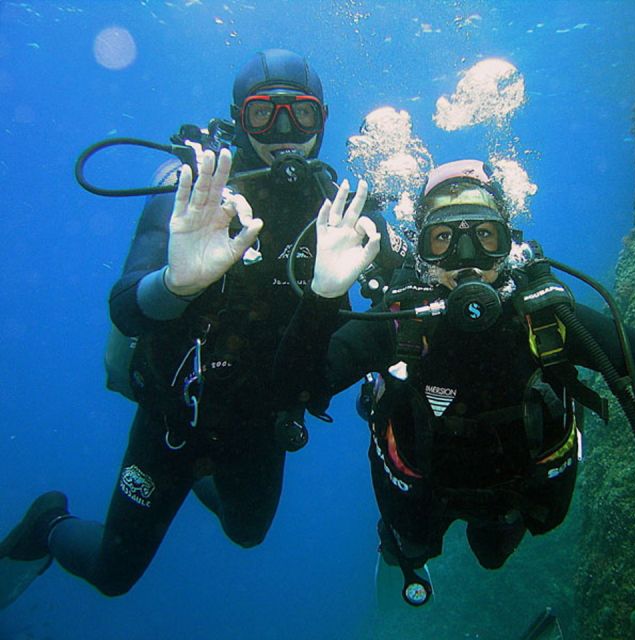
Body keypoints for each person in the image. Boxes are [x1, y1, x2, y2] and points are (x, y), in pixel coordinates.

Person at [272, 160, 635, 606]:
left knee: (496, 554)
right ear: (420, 252)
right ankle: (401, 552)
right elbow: (296, 390)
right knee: (412, 545)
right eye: (444, 240)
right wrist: (323, 299)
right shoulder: (395, 323)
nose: (467, 259)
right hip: (418, 492)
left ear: (511, 241)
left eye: (485, 237)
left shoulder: (547, 317)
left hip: (523, 491)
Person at [0, 48, 403, 607]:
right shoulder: (198, 194)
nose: (284, 131)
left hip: (262, 421)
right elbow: (125, 306)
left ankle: (191, 479)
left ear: (323, 121)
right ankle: (47, 525)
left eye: (302, 114)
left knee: (248, 533)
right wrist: (177, 282)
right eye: (264, 114)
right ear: (239, 118)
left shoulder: (343, 212)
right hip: (174, 415)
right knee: (113, 573)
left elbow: (411, 294)